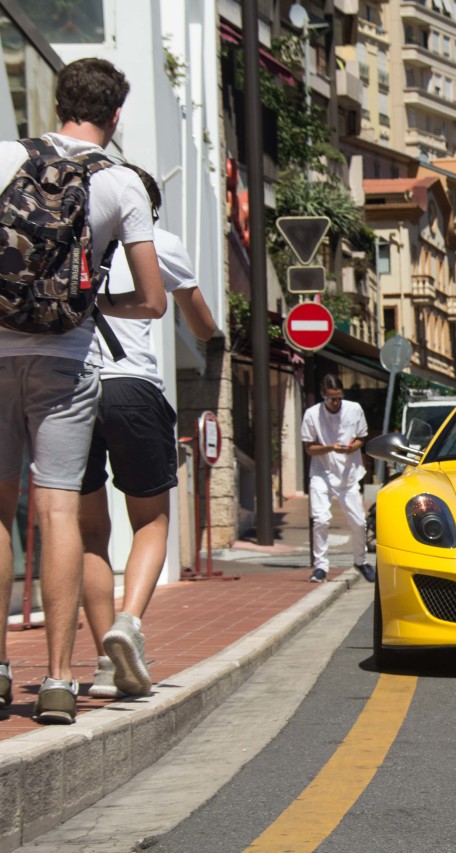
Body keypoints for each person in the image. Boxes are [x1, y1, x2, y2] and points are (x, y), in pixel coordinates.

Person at [0, 58, 167, 724]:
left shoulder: (9, 155)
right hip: (67, 362)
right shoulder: (121, 182)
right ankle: (61, 681)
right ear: (115, 115)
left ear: (58, 100)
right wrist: (91, 303)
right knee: (58, 513)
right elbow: (153, 299)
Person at [79, 164, 217, 699]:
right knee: (151, 521)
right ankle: (128, 622)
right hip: (133, 388)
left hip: (72, 387)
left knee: (91, 532)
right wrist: (208, 331)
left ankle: (102, 663)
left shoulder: (76, 242)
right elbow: (201, 322)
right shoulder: (160, 242)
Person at [301, 374, 372, 584]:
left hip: (348, 474)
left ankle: (361, 561)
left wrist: (352, 447)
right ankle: (320, 566)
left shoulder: (354, 409)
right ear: (323, 396)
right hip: (322, 473)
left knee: (358, 522)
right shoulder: (312, 414)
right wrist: (330, 447)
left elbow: (361, 437)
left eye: (339, 398)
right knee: (321, 520)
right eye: (331, 398)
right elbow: (309, 448)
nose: (336, 402)